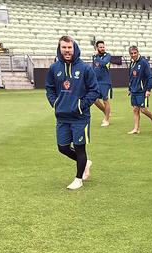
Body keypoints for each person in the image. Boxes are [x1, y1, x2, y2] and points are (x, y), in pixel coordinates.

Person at [45, 36, 100, 190]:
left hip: (79, 117)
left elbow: (94, 91)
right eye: (64, 48)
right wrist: (55, 103)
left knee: (79, 147)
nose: (67, 51)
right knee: (62, 147)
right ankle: (85, 163)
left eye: (70, 48)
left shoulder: (85, 68)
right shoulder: (54, 68)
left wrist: (80, 106)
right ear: (60, 48)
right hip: (62, 116)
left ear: (74, 48)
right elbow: (49, 88)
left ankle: (78, 179)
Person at [127, 46, 152, 134]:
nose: (133, 55)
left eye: (135, 53)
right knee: (135, 109)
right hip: (134, 90)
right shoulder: (132, 63)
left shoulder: (144, 62)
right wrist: (130, 88)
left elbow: (150, 77)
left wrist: (148, 90)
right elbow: (131, 77)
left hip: (142, 90)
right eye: (131, 53)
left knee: (143, 109)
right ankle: (136, 129)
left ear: (138, 52)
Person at [92, 40, 112, 126]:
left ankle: (106, 119)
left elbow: (103, 63)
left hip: (105, 82)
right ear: (97, 48)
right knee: (94, 100)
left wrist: (96, 57)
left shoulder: (107, 55)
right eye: (100, 47)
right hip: (96, 82)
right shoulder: (94, 57)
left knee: (105, 100)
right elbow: (94, 68)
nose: (103, 48)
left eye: (103, 47)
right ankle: (106, 112)